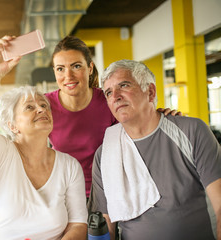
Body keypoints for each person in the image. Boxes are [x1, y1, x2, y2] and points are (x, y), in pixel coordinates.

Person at [0, 35, 88, 240]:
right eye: (30, 107)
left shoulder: (69, 166)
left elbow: (78, 224)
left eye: (43, 105)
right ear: (11, 125)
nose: (41, 109)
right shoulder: (1, 153)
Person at [89, 59, 221, 240]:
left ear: (150, 92)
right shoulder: (105, 154)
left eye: (124, 85)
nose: (115, 96)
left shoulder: (191, 131)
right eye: (109, 92)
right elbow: (106, 226)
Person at [46, 36, 178, 197]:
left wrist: (163, 118)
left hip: (110, 191)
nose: (68, 76)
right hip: (64, 194)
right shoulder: (44, 105)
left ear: (90, 68)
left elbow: (140, 127)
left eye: (76, 66)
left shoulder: (110, 99)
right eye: (60, 68)